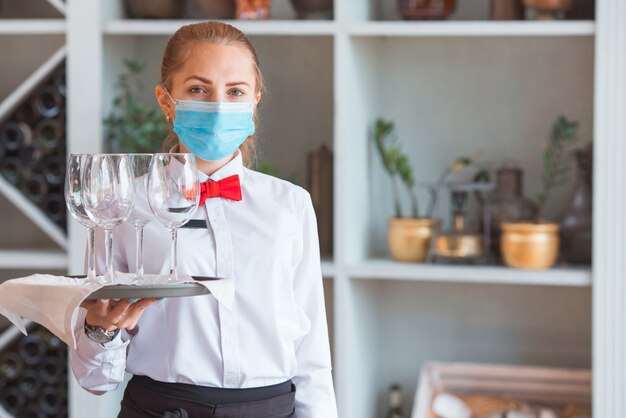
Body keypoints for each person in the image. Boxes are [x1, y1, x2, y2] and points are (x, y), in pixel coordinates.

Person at [69, 21, 338, 418]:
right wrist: (100, 329)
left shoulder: (290, 205)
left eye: (235, 92)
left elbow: (312, 350)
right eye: (198, 89)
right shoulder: (124, 207)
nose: (218, 105)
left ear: (254, 100)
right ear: (166, 100)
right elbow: (95, 380)